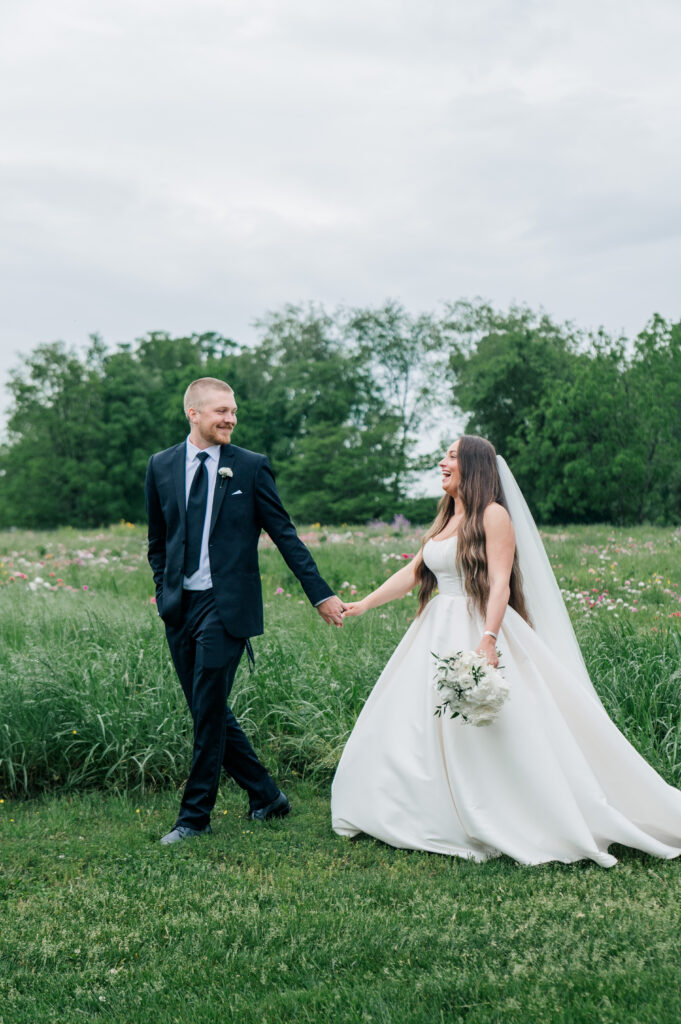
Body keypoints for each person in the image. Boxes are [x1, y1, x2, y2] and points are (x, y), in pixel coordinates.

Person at [332, 435, 681, 866]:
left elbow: (500, 582)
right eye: (444, 456)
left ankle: (503, 810)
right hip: (434, 630)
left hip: (478, 624)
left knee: (490, 728)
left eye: (452, 457)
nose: (442, 463)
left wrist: (488, 638)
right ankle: (415, 806)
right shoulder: (446, 516)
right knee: (413, 721)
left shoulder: (494, 516)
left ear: (474, 467)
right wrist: (364, 603)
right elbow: (415, 571)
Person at [146, 377, 344, 845]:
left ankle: (194, 818)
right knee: (206, 709)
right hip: (180, 606)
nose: (230, 419)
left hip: (226, 607)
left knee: (209, 708)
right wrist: (163, 591)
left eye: (233, 411)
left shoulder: (250, 468)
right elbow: (158, 539)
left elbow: (285, 534)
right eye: (220, 411)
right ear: (193, 413)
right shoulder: (161, 466)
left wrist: (320, 594)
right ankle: (266, 795)